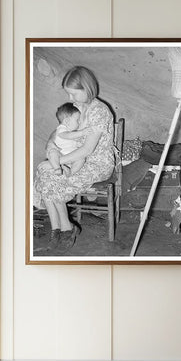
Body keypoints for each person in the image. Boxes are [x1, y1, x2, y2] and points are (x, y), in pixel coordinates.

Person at [34, 66, 115, 253]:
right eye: (68, 94)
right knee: (45, 174)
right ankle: (59, 230)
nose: (70, 99)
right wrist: (51, 146)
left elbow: (87, 150)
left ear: (87, 88)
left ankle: (66, 230)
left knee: (54, 177)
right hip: (73, 159)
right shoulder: (76, 107)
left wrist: (57, 162)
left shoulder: (100, 112)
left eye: (73, 94)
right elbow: (59, 132)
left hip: (97, 163)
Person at [45, 103, 92, 176]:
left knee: (81, 159)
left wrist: (78, 144)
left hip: (72, 156)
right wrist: (81, 133)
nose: (79, 122)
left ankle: (71, 172)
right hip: (61, 154)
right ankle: (57, 168)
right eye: (77, 120)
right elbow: (68, 136)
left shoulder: (71, 131)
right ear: (67, 121)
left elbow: (73, 142)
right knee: (52, 153)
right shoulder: (61, 129)